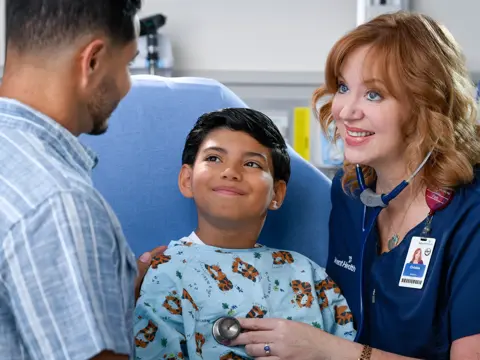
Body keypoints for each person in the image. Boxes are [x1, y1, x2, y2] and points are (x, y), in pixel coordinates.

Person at [226, 11, 480, 360]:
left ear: (427, 106)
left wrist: (329, 351)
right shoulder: (349, 194)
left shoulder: (470, 215)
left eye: (374, 95)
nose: (345, 110)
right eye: (344, 87)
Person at [0, 1, 156, 359]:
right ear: (94, 61)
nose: (127, 85)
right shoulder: (60, 202)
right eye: (128, 64)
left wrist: (108, 294)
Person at [133, 108, 356, 360]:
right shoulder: (165, 272)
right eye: (214, 158)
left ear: (277, 194)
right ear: (187, 179)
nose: (230, 172)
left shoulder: (307, 274)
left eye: (252, 163)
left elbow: (347, 350)